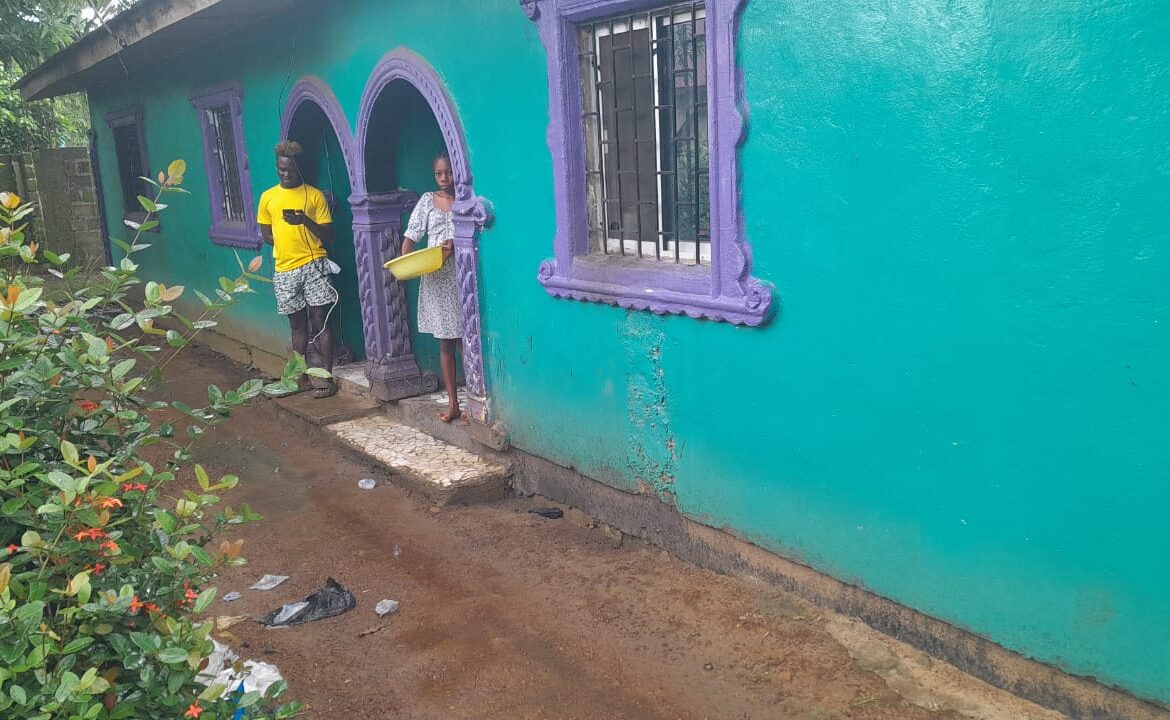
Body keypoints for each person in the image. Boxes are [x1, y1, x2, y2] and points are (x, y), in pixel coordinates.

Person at [257, 140, 338, 398]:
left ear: (299, 169)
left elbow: (329, 235)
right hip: (285, 269)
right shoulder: (268, 198)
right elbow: (266, 235)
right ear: (277, 167)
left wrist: (304, 221)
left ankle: (326, 378)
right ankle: (300, 377)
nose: (286, 174)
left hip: (314, 265)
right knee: (297, 325)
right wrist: (286, 241)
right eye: (282, 169)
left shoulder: (314, 196)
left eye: (291, 170)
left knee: (321, 321)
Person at [402, 152, 464, 422]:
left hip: (463, 278)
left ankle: (476, 403)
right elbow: (411, 236)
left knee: (466, 343)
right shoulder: (428, 201)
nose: (444, 178)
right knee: (446, 343)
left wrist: (456, 244)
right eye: (439, 173)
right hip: (437, 280)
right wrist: (405, 264)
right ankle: (453, 404)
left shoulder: (465, 200)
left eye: (448, 172)